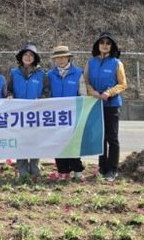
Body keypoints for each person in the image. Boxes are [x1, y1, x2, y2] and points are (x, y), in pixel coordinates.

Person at [85, 32, 127, 182]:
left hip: (112, 105)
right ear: (97, 45)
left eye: (108, 43)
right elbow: (86, 81)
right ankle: (102, 168)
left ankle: (112, 169)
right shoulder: (91, 63)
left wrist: (109, 93)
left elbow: (123, 84)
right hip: (95, 104)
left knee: (112, 138)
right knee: (100, 138)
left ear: (112, 46)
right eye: (102, 42)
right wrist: (93, 92)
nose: (104, 45)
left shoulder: (116, 63)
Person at [7, 44, 48, 179]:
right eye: (25, 54)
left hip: (36, 113)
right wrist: (10, 95)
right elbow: (9, 89)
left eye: (31, 55)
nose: (28, 57)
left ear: (35, 58)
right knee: (21, 140)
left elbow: (47, 91)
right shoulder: (14, 73)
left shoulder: (42, 74)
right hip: (18, 114)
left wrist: (41, 99)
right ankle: (22, 169)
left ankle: (35, 167)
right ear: (21, 57)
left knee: (35, 139)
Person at [48, 45, 87, 179]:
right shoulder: (50, 75)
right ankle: (63, 170)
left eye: (63, 57)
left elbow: (83, 93)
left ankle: (77, 169)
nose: (60, 60)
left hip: (73, 114)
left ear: (68, 58)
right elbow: (48, 93)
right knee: (58, 142)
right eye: (58, 58)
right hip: (56, 115)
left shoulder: (78, 73)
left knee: (73, 142)